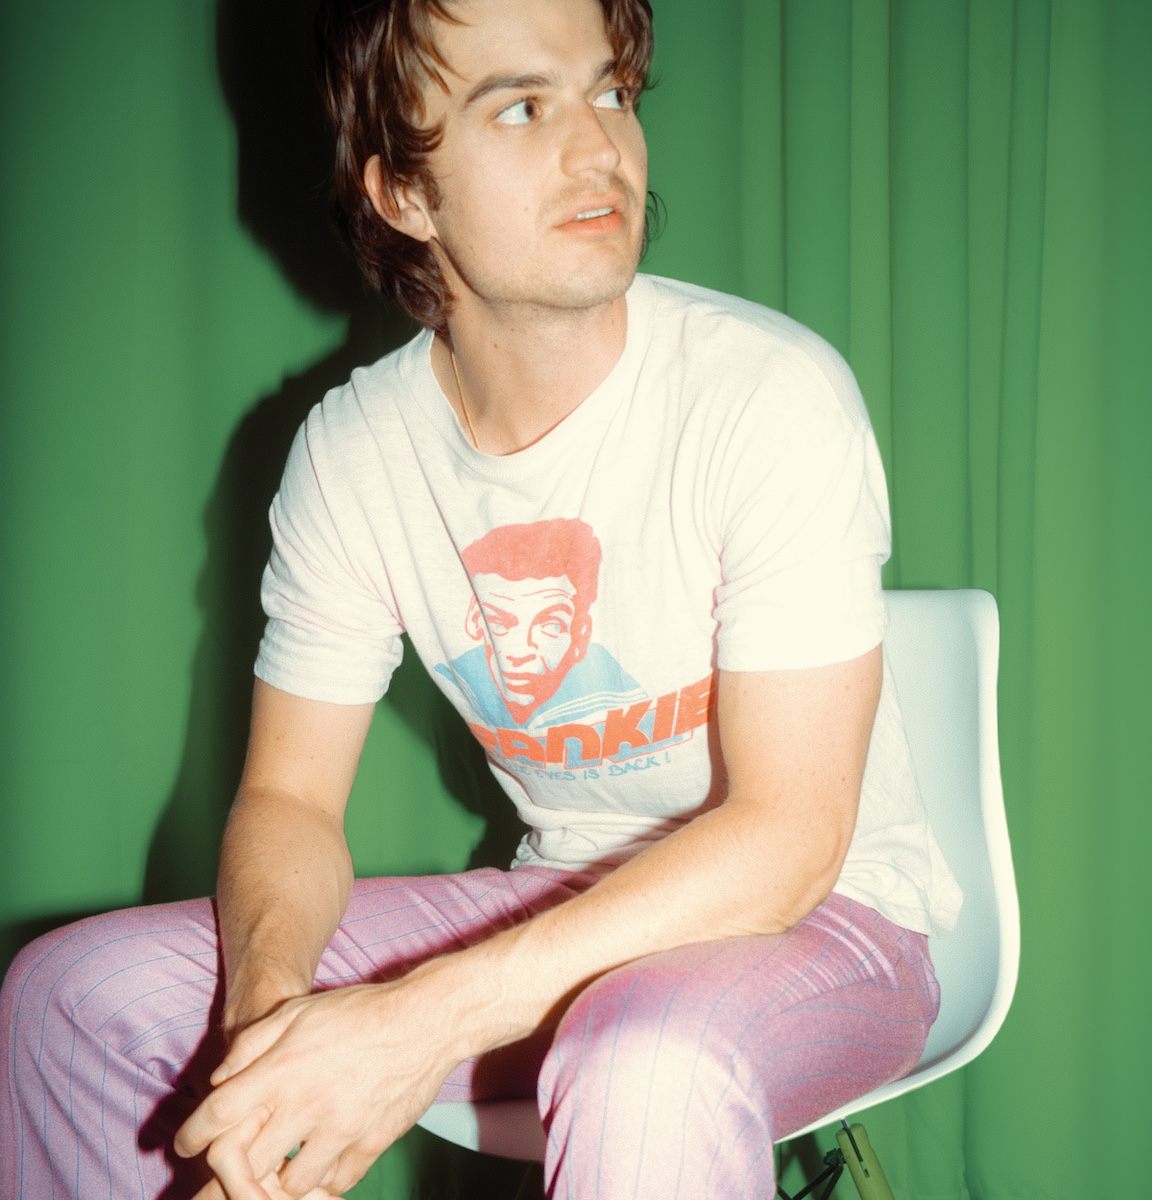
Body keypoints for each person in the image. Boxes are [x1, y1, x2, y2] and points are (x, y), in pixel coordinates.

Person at [0, 0, 963, 1196]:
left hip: (832, 921)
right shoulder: (354, 454)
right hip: (554, 896)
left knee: (644, 1060)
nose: (599, 146)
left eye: (611, 92)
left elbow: (788, 840)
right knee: (74, 998)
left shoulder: (765, 396)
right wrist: (268, 1038)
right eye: (521, 108)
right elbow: (290, 800)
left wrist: (419, 1022)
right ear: (404, 194)